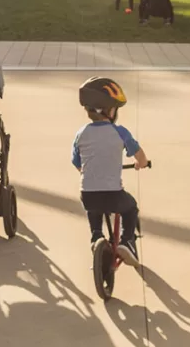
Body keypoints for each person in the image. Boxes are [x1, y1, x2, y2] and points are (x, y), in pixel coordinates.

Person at [72, 77, 148, 266]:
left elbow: (76, 162)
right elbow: (140, 156)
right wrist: (141, 163)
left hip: (87, 193)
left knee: (93, 207)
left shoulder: (81, 134)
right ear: (110, 110)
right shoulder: (120, 132)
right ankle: (126, 241)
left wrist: (89, 168)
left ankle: (96, 236)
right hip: (113, 195)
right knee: (130, 207)